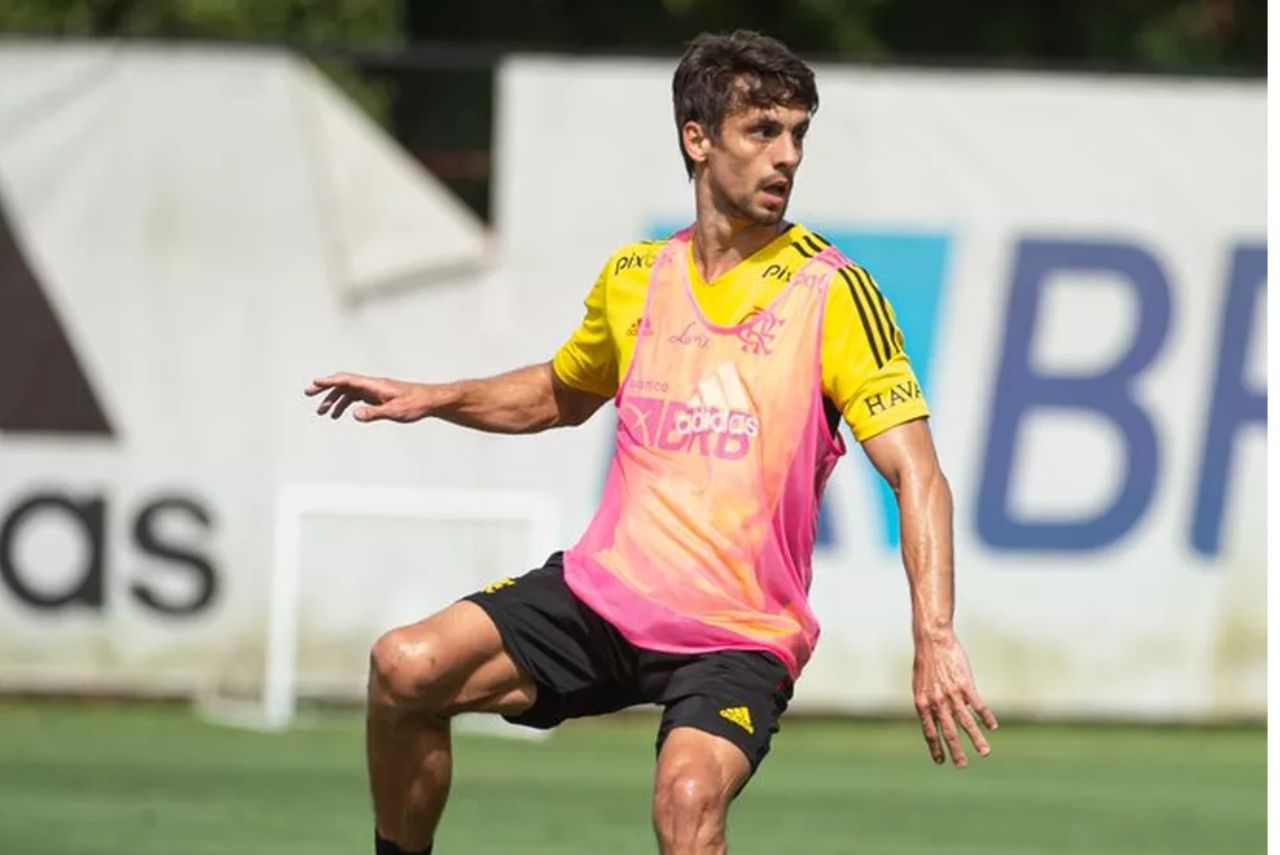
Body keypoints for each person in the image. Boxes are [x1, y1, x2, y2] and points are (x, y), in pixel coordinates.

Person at [305, 29, 997, 855]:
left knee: (688, 797)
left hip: (736, 631)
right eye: (762, 131)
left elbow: (916, 471)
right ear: (697, 140)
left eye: (798, 134)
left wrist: (935, 634)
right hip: (605, 595)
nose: (787, 157)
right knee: (404, 667)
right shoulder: (638, 276)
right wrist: (437, 396)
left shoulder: (834, 292)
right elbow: (560, 392)